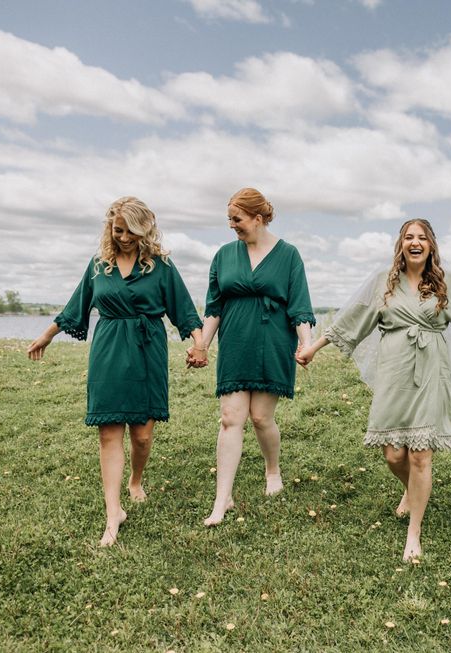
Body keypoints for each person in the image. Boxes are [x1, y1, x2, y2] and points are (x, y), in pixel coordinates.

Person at [295, 219, 451, 561]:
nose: (415, 243)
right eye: (409, 237)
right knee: (393, 455)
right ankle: (412, 491)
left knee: (419, 455)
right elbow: (351, 320)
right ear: (401, 244)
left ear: (431, 245)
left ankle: (414, 532)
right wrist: (313, 348)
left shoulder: (444, 283)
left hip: (432, 372)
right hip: (394, 372)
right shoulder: (383, 282)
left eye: (422, 238)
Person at [27, 197, 205, 546]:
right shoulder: (99, 266)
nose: (124, 237)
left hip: (146, 349)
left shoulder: (161, 266)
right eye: (118, 229)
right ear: (110, 227)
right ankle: (113, 513)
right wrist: (46, 336)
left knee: (141, 435)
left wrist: (198, 344)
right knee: (109, 434)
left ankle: (135, 480)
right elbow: (76, 305)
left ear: (146, 230)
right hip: (108, 350)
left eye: (131, 231)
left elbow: (183, 310)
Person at [197, 188, 315, 526]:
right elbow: (214, 308)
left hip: (273, 344)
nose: (232, 226)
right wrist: (202, 346)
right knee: (231, 418)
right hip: (236, 344)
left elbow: (300, 305)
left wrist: (305, 343)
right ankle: (222, 500)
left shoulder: (289, 255)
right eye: (230, 220)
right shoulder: (223, 256)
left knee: (262, 418)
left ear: (258, 218)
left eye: (237, 219)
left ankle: (272, 470)